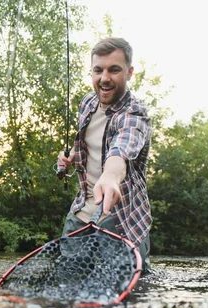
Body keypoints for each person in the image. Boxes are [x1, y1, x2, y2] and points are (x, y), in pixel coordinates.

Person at [58, 37, 152, 270]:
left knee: (129, 298)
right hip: (81, 213)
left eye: (114, 70)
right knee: (68, 287)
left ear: (129, 73)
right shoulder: (88, 102)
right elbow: (87, 145)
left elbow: (122, 148)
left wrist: (110, 176)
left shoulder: (134, 113)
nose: (104, 78)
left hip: (121, 221)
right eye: (98, 70)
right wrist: (68, 158)